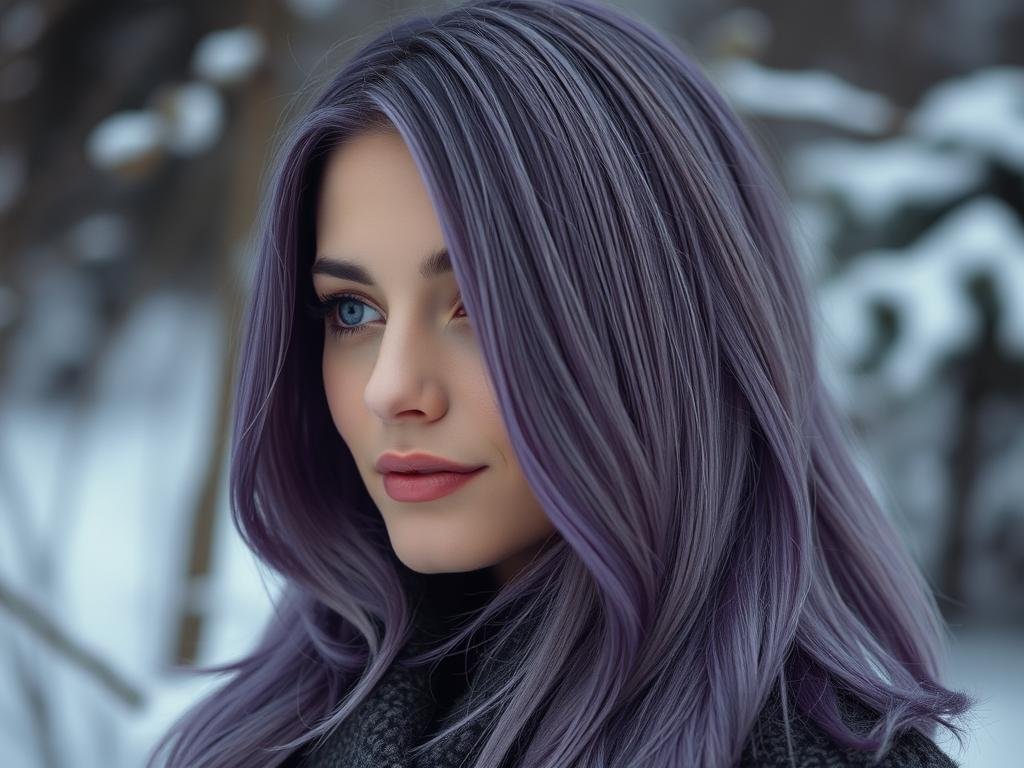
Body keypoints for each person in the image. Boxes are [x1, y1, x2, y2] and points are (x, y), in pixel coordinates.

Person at [146, 1, 975, 766]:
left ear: (664, 327)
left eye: (478, 304)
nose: (390, 390)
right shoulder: (269, 735)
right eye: (353, 311)